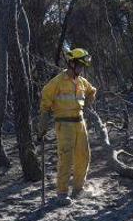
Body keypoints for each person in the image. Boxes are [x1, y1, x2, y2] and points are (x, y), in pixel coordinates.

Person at [38, 48, 97, 206]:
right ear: (71, 63)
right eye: (79, 66)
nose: (81, 69)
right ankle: (62, 193)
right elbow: (45, 99)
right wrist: (43, 120)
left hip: (80, 123)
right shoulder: (57, 81)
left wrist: (89, 100)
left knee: (84, 156)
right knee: (66, 158)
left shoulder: (82, 81)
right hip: (64, 125)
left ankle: (78, 188)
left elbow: (92, 91)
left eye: (82, 66)